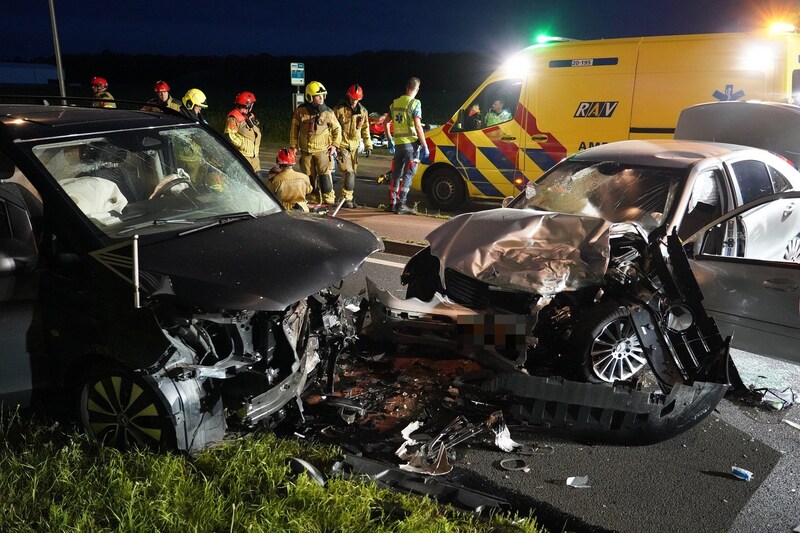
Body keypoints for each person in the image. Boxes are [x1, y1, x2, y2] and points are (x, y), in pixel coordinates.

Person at [290, 81, 342, 206]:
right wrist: (293, 146)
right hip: (306, 152)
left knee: (325, 178)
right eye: (318, 96)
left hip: (322, 151)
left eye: (322, 95)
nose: (321, 98)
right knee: (309, 178)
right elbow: (294, 129)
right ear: (309, 97)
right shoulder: (300, 111)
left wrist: (335, 145)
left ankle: (329, 200)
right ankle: (314, 199)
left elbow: (337, 129)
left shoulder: (327, 112)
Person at [384, 77, 428, 214]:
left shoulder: (395, 103)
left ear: (406, 87)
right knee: (408, 174)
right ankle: (401, 204)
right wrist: (424, 144)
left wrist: (389, 139)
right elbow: (418, 127)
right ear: (417, 89)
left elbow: (386, 122)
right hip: (411, 146)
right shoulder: (415, 103)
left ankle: (392, 203)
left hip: (398, 145)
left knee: (396, 174)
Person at [333, 84, 373, 208]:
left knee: (352, 173)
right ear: (348, 96)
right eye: (353, 98)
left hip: (354, 146)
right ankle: (347, 199)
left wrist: (368, 145)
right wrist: (333, 144)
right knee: (348, 171)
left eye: (357, 99)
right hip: (342, 145)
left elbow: (365, 129)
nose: (354, 101)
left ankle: (346, 198)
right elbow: (331, 127)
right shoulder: (339, 110)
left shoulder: (363, 112)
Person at [224, 91, 261, 171]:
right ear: (248, 105)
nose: (252, 106)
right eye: (252, 104)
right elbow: (229, 136)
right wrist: (242, 145)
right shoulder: (234, 118)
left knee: (258, 178)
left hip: (254, 157)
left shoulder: (250, 116)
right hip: (244, 157)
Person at [267, 148, 313, 212]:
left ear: (278, 162)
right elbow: (309, 191)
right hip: (303, 209)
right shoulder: (304, 177)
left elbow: (268, 194)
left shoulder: (276, 179)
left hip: (283, 210)